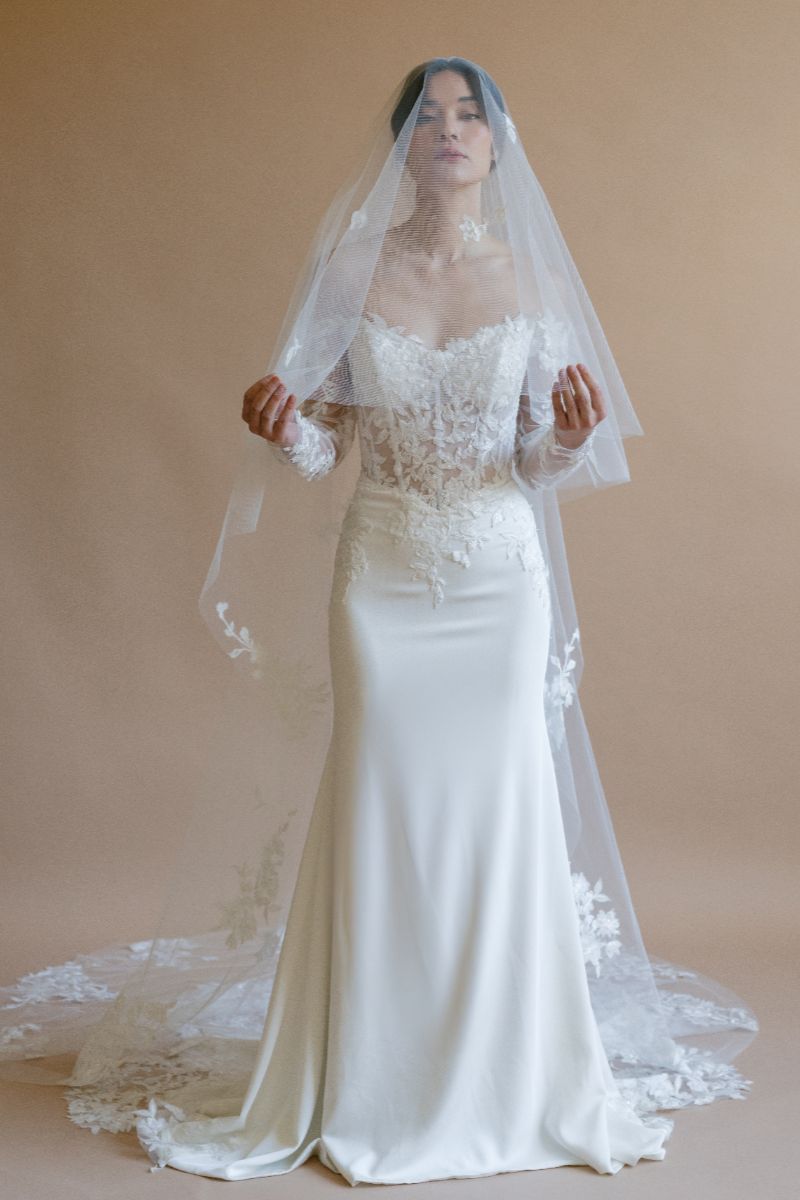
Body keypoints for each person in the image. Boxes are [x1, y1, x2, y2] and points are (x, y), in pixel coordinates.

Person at [0, 56, 758, 1185]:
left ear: (497, 146)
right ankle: (371, 1070)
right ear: (401, 146)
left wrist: (560, 432)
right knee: (382, 808)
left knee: (496, 813)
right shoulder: (351, 269)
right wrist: (280, 430)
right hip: (385, 573)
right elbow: (322, 448)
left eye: (470, 114)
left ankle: (507, 1069)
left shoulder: (531, 281)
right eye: (428, 116)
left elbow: (539, 461)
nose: (449, 130)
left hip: (498, 582)